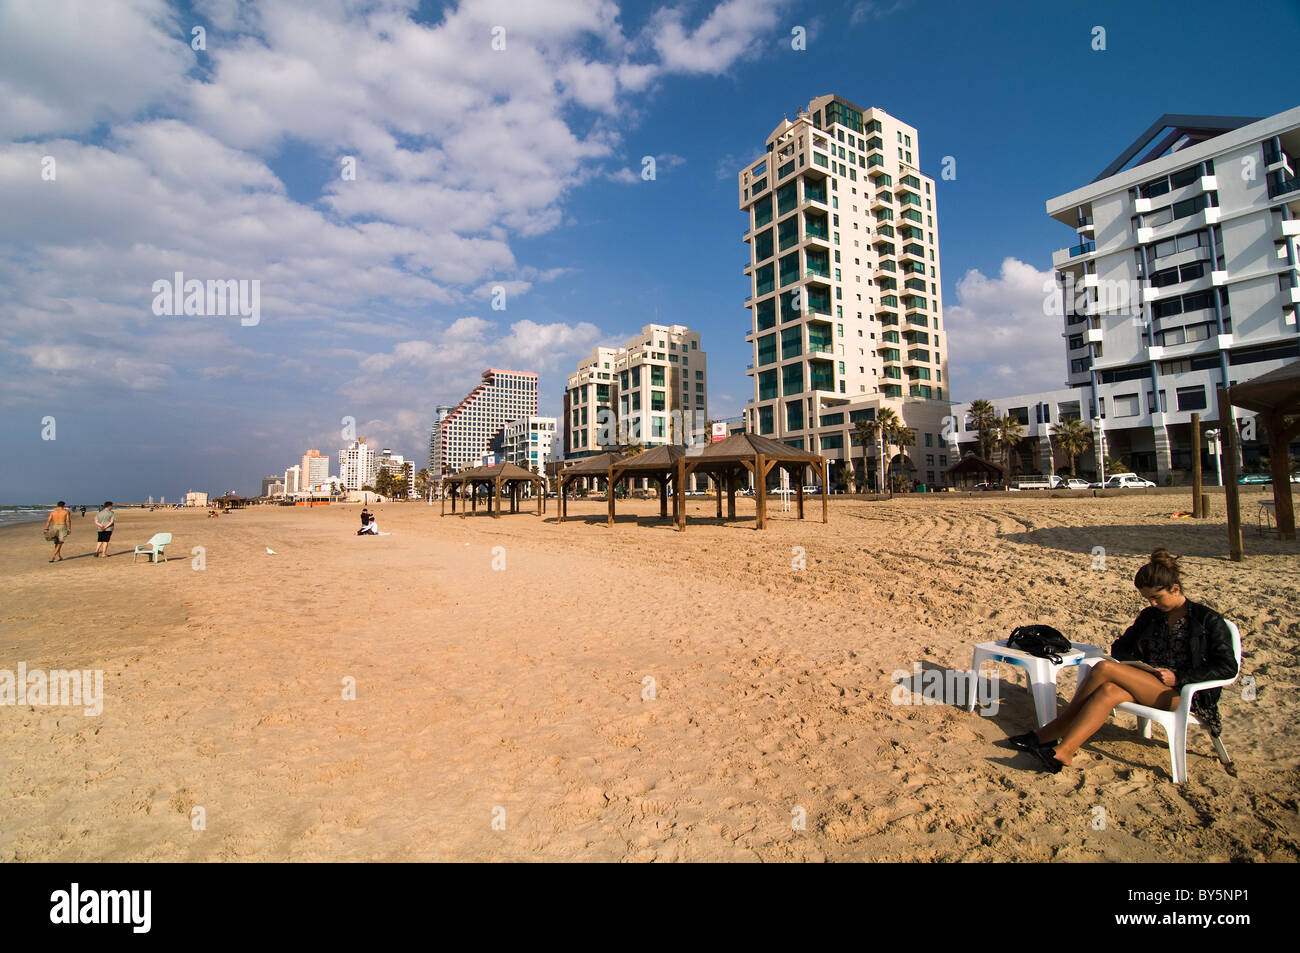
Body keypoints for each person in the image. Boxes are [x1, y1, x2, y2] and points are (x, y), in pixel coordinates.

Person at [1011, 548, 1238, 773]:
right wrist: (1139, 668)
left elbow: (1227, 667)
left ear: (1175, 589)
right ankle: (1064, 752)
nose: (1152, 604)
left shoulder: (1207, 620)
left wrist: (1179, 677)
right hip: (1151, 683)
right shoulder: (1151, 617)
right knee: (1109, 690)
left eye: (1156, 598)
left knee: (1104, 668)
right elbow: (1120, 647)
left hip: (1187, 694)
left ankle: (1052, 731)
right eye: (1148, 599)